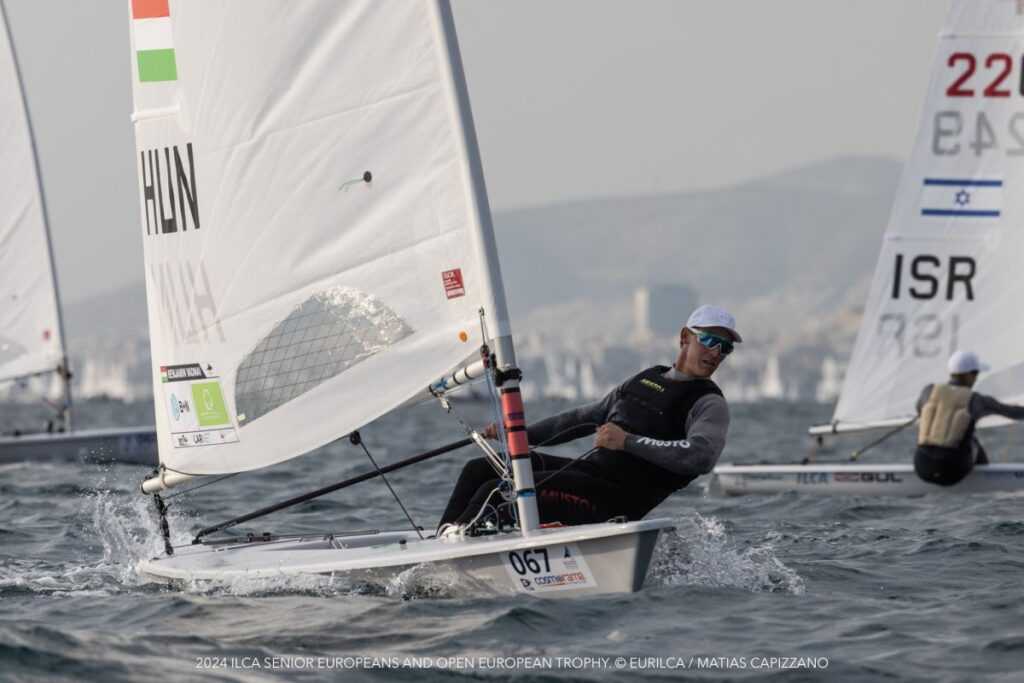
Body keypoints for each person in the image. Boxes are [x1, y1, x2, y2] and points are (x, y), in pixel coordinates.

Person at [437, 304, 740, 536]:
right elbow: (581, 419)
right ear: (685, 337)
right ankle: (442, 542)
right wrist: (518, 434)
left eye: (725, 348)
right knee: (479, 469)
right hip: (587, 476)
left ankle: (452, 558)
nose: (716, 353)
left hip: (613, 502)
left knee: (497, 491)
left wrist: (628, 442)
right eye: (709, 340)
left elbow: (701, 457)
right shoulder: (647, 377)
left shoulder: (709, 403)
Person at [914, 350, 1024, 486]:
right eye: (976, 374)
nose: (976, 378)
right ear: (969, 375)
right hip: (953, 471)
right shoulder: (977, 400)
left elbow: (919, 410)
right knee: (973, 441)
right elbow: (1013, 413)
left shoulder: (928, 391)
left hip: (922, 467)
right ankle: (986, 480)